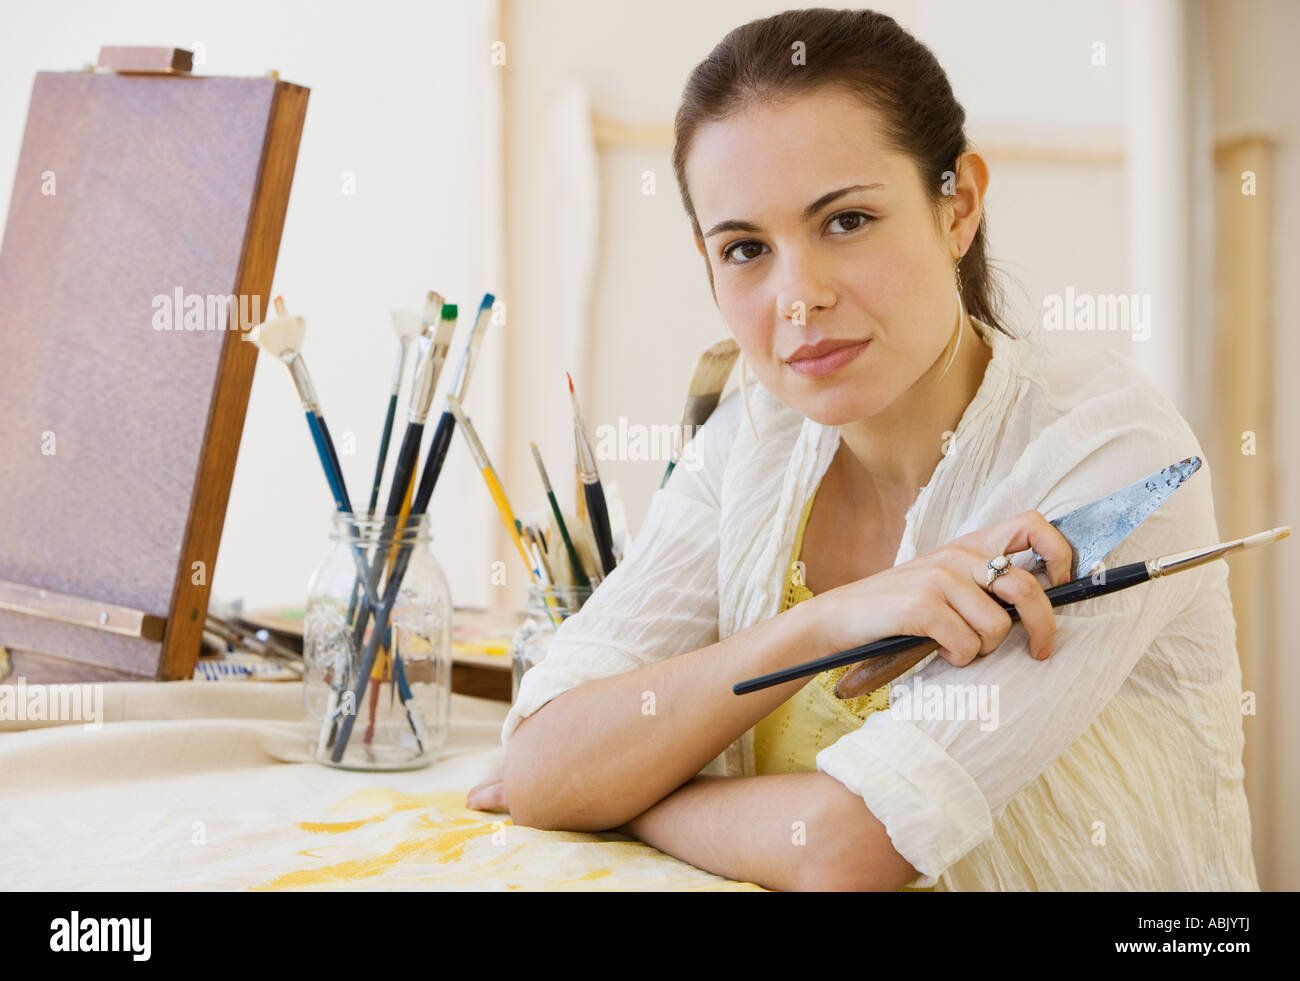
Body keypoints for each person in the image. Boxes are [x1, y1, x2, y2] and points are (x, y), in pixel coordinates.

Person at [471, 8, 1258, 892]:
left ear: (956, 205)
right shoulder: (751, 440)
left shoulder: (1109, 455)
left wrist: (630, 794)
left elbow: (848, 847)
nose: (798, 298)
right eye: (744, 248)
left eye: (845, 222)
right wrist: (826, 621)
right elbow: (541, 760)